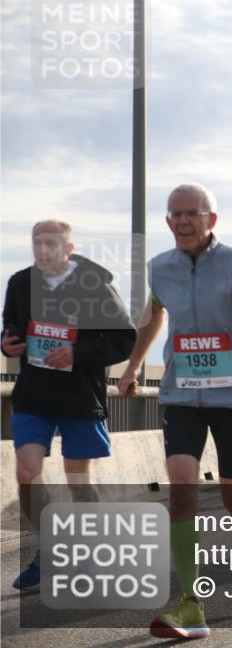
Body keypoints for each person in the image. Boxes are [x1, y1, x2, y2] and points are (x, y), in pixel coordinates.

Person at [117, 184, 232, 638]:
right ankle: (191, 605)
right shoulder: (161, 268)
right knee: (182, 487)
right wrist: (133, 367)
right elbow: (153, 317)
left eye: (193, 213)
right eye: (176, 214)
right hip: (181, 395)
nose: (184, 220)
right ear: (168, 222)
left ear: (213, 219)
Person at [2, 220, 136, 592]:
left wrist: (78, 353)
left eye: (51, 244)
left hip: (79, 395)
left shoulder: (95, 285)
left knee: (79, 482)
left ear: (69, 248)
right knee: (27, 473)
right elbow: (12, 327)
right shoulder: (19, 283)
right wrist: (7, 343)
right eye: (37, 243)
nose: (42, 251)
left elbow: (124, 339)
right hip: (34, 394)